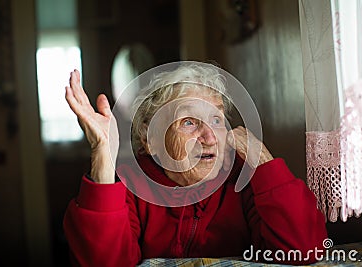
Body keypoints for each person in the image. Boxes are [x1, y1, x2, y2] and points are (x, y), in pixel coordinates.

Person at [63, 63, 327, 267]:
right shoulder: (131, 184)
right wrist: (102, 156)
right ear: (151, 138)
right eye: (189, 121)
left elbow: (305, 251)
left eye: (216, 120)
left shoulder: (244, 180)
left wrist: (263, 162)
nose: (210, 137)